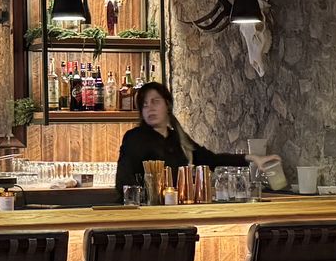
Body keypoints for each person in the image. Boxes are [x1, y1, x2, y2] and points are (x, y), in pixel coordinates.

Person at [114, 82, 284, 194]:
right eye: (144, 104)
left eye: (155, 101)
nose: (149, 108)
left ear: (168, 104)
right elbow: (124, 180)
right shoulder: (134, 138)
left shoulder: (178, 138)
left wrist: (252, 158)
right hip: (148, 215)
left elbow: (211, 159)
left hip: (177, 212)